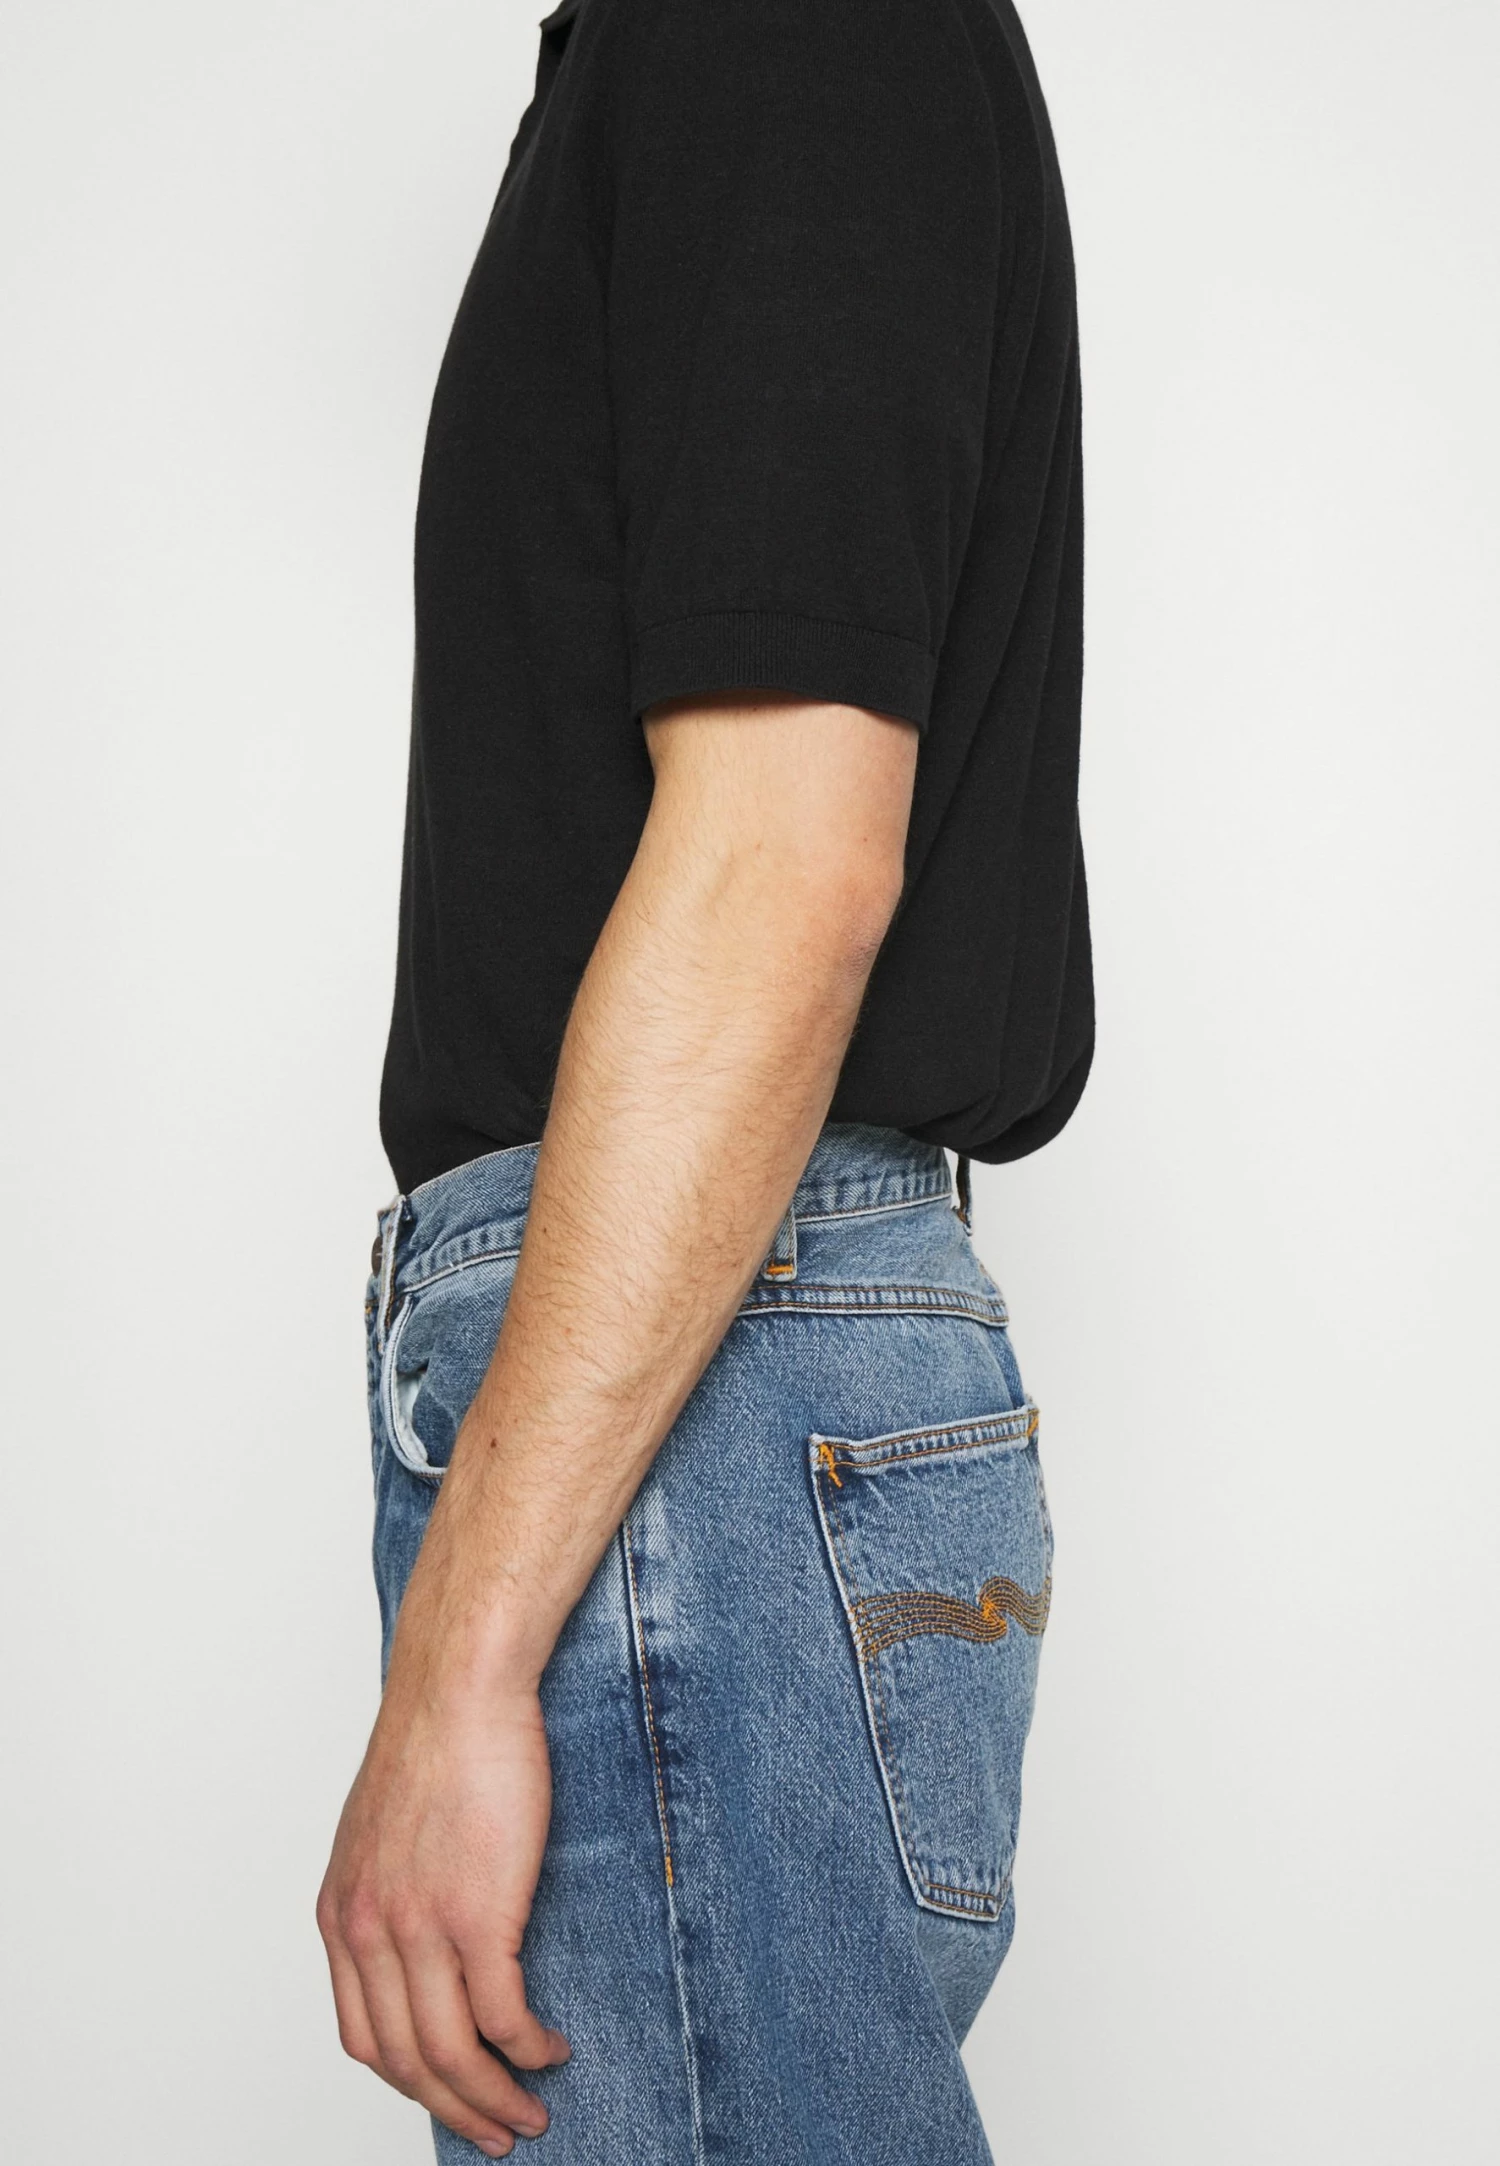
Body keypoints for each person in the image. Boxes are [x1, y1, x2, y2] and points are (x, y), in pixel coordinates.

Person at [316, 0, 1090, 2157]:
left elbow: (784, 861)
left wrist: (467, 1655)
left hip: (700, 1381)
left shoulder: (778, 29)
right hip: (699, 1375)